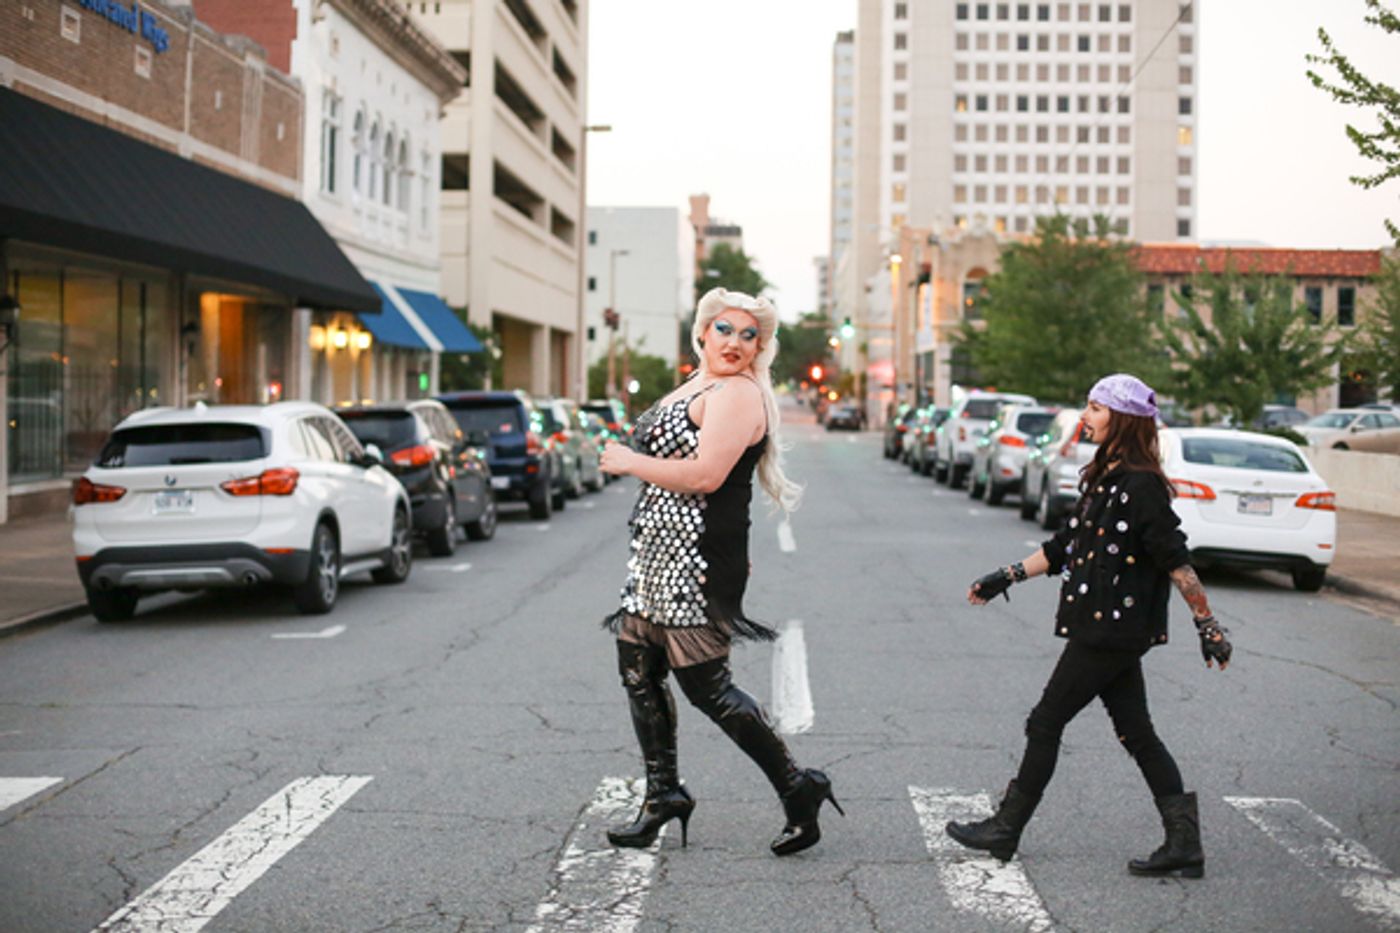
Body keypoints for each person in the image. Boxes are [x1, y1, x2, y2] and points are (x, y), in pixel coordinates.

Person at [945, 373, 1232, 879]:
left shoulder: (1141, 485)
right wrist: (1002, 577)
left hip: (1112, 631)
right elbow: (1063, 547)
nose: (1084, 416)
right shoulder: (1106, 477)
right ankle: (1184, 843)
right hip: (1103, 628)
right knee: (1137, 733)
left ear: (1121, 419)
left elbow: (1175, 559)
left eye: (1095, 408)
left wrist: (1207, 625)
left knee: (1045, 722)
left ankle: (1006, 828)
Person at [598, 287, 842, 856]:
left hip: (699, 559)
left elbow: (707, 476)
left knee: (708, 687)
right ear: (703, 333)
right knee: (638, 669)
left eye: (748, 335)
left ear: (760, 347)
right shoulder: (696, 384)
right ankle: (663, 795)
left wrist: (630, 461)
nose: (735, 342)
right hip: (658, 556)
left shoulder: (737, 395)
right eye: (725, 330)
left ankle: (797, 787)